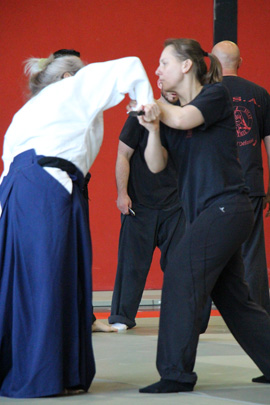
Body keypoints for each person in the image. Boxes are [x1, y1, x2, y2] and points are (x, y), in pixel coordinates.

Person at [0, 48, 153, 398]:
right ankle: (46, 374)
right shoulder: (70, 88)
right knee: (50, 280)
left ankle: (31, 367)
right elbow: (129, 66)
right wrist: (145, 106)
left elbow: (8, 167)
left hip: (19, 193)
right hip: (47, 191)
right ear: (70, 76)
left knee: (24, 283)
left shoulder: (27, 112)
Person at [136, 38, 270, 394]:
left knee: (180, 271)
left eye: (164, 63)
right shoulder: (169, 110)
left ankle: (175, 375)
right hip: (206, 215)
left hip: (227, 207)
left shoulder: (216, 95)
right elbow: (156, 164)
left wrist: (157, 108)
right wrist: (151, 128)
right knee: (234, 299)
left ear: (185, 66)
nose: (157, 70)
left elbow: (182, 119)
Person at [108, 84, 185, 331]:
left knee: (181, 266)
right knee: (131, 265)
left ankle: (184, 318)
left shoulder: (188, 116)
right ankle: (122, 318)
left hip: (176, 206)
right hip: (139, 204)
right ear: (160, 84)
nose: (173, 91)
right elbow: (123, 154)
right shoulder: (141, 113)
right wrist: (122, 194)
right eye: (168, 87)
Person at [211, 40, 270, 313]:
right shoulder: (259, 94)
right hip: (251, 184)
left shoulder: (207, 93)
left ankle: (199, 314)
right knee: (252, 251)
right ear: (240, 62)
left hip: (214, 186)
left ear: (212, 61)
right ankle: (259, 313)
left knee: (206, 249)